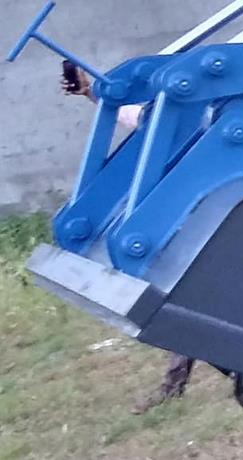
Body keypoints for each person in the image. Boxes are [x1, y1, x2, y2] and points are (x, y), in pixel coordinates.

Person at [60, 63, 196, 414]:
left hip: (212, 220)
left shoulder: (194, 125)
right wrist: (91, 92)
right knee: (185, 294)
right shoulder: (161, 123)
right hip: (184, 226)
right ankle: (175, 382)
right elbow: (130, 115)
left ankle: (176, 383)